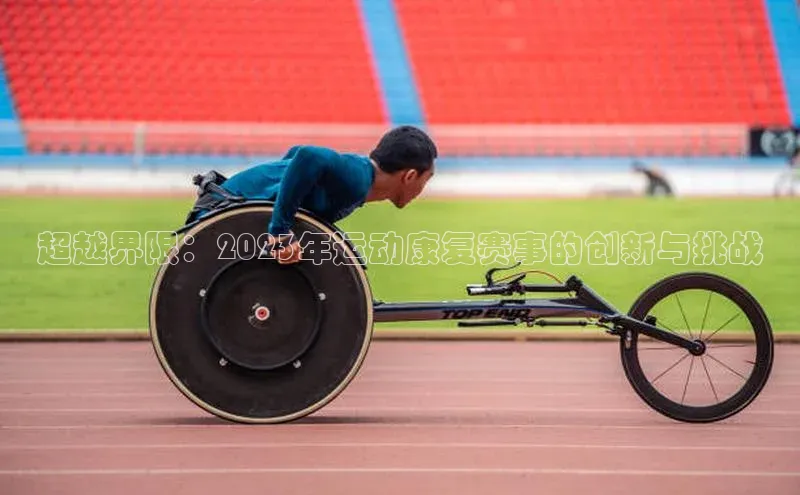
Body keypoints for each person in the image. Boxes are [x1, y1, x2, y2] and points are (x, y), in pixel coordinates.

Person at [189, 125, 437, 264]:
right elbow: (308, 155)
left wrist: (280, 191)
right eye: (426, 180)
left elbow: (295, 155)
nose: (421, 191)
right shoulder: (357, 179)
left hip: (222, 207)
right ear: (410, 176)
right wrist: (280, 231)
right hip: (216, 217)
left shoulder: (359, 175)